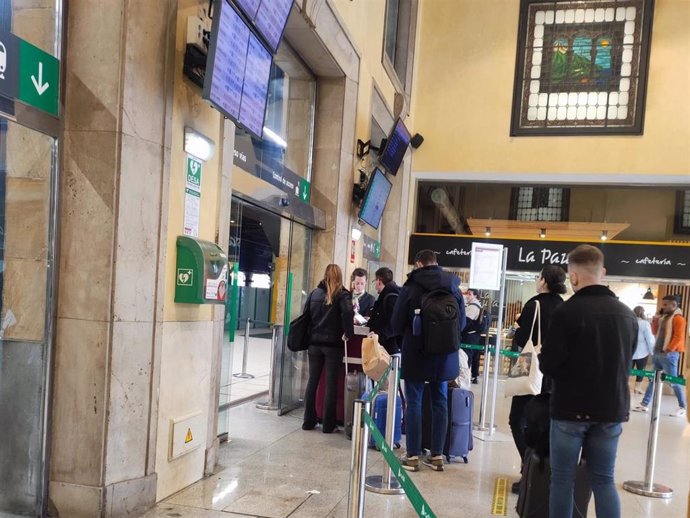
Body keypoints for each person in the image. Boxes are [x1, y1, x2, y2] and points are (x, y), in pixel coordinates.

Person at [540, 244, 637, 518]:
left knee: (562, 481)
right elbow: (627, 362)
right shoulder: (626, 315)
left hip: (569, 410)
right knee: (604, 480)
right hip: (611, 410)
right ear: (602, 272)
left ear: (573, 277)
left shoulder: (566, 312)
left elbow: (549, 365)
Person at [392, 249, 465, 472]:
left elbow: (396, 322)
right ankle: (436, 456)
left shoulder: (411, 286)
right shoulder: (453, 286)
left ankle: (412, 456)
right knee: (440, 402)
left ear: (418, 264)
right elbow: (461, 324)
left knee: (414, 402)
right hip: (444, 354)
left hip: (416, 352)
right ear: (436, 263)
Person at [509, 265, 567, 494]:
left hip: (532, 368)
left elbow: (523, 339)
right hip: (554, 374)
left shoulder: (534, 304)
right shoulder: (564, 306)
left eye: (538, 276)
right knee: (545, 422)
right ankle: (543, 472)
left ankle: (529, 468)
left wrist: (517, 325)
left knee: (517, 420)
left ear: (544, 281)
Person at [302, 264, 354, 433]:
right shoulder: (342, 294)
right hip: (333, 346)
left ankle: (308, 421)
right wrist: (348, 333)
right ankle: (328, 424)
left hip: (314, 344)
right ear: (340, 276)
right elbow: (348, 314)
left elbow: (306, 315)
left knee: (313, 381)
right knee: (331, 384)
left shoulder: (314, 293)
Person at [633, 295, 687, 417]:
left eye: (665, 304)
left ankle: (683, 407)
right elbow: (654, 332)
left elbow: (678, 337)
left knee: (673, 381)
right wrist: (655, 320)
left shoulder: (679, 319)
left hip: (669, 354)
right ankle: (644, 404)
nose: (662, 307)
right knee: (652, 380)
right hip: (658, 353)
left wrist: (668, 350)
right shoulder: (663, 318)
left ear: (673, 305)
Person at [367, 267, 402, 355]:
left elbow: (393, 325)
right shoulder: (387, 295)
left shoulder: (390, 297)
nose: (375, 285)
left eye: (375, 281)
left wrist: (378, 335)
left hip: (389, 349)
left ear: (379, 281)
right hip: (386, 347)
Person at [631, 306, 654, 394]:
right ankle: (637, 388)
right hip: (642, 351)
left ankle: (624, 387)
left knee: (628, 369)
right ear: (643, 313)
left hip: (630, 350)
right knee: (641, 369)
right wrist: (652, 351)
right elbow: (649, 339)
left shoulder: (630, 321)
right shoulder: (645, 323)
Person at [462, 288, 483, 384]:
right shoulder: (475, 305)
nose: (467, 295)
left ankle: (466, 377)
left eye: (469, 294)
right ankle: (472, 376)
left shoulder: (473, 306)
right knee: (472, 356)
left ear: (475, 295)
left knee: (467, 356)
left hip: (470, 336)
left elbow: (466, 322)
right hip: (474, 336)